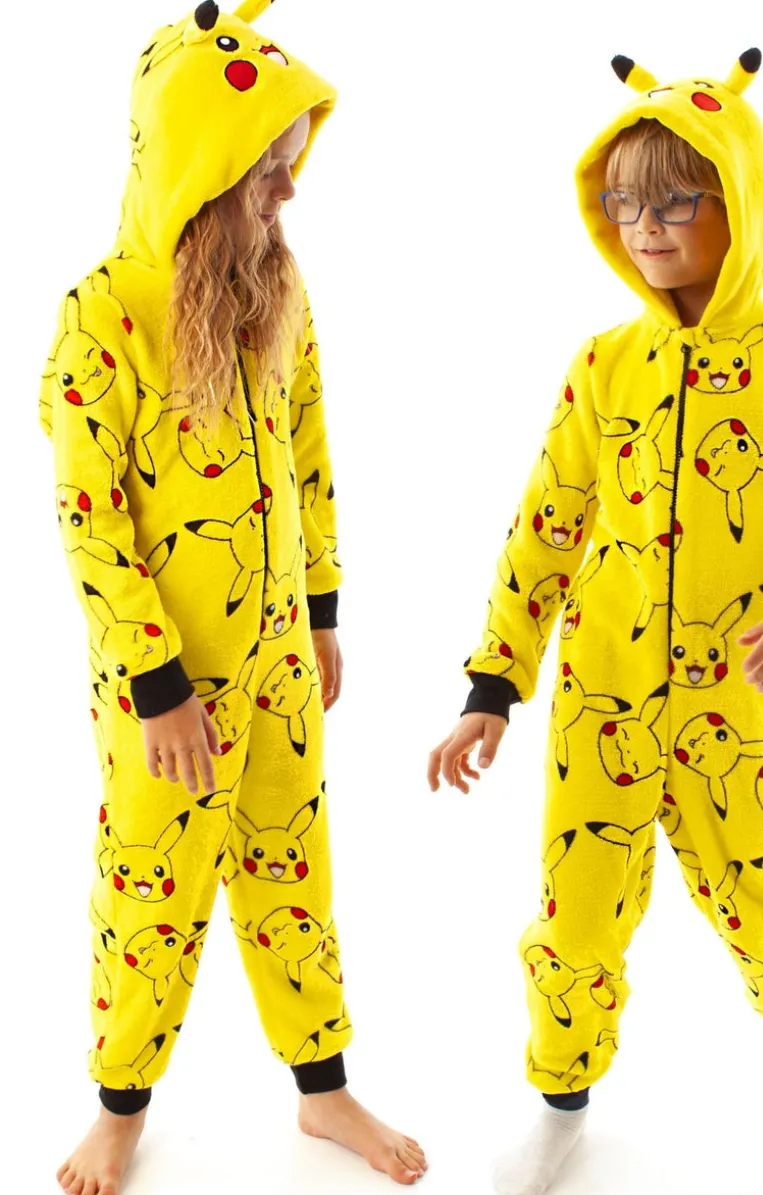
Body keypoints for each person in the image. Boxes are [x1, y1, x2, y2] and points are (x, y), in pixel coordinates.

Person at [427, 46, 763, 1195]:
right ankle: (561, 1104)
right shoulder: (603, 365)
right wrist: (493, 687)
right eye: (627, 201)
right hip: (602, 699)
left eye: (679, 199)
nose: (647, 225)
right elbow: (545, 528)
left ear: (741, 201)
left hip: (741, 695)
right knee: (574, 919)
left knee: (759, 889)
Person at [41, 3, 427, 1193]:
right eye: (266, 168)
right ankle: (119, 1104)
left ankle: (323, 1089)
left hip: (279, 662)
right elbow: (93, 520)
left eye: (292, 162)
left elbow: (308, 455)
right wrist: (156, 685)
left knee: (294, 871)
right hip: (166, 689)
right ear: (200, 164)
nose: (289, 191)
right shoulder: (103, 314)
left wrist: (324, 612)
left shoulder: (276, 290)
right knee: (152, 891)